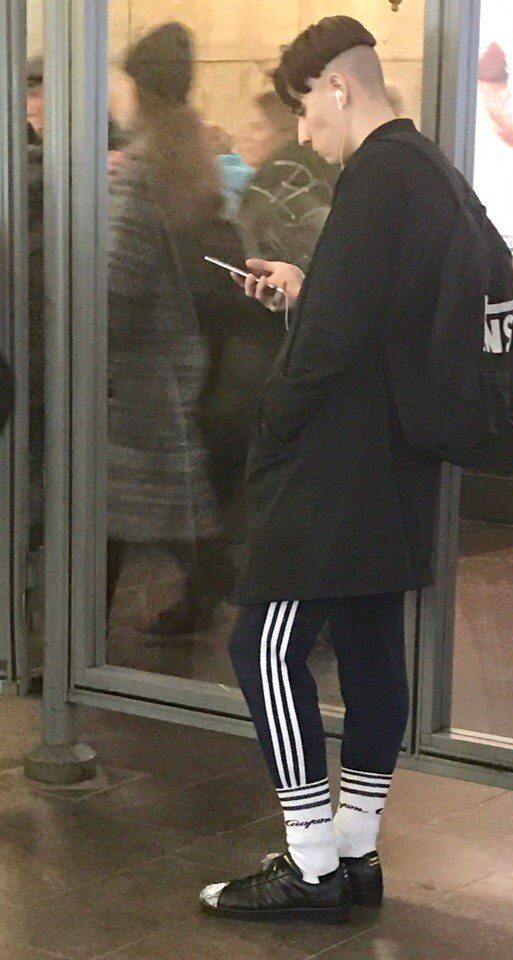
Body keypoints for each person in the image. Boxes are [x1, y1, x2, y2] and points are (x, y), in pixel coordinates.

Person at [199, 15, 506, 923]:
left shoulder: (375, 177)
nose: (303, 132)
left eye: (304, 108)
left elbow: (334, 344)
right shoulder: (430, 170)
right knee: (371, 647)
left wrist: (273, 421)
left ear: (338, 86)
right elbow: (378, 311)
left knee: (261, 647)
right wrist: (307, 286)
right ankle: (356, 851)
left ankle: (310, 862)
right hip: (395, 460)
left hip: (339, 465)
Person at [107, 22, 246, 635]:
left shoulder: (140, 167)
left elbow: (119, 275)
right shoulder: (193, 155)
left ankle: (77, 639)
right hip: (181, 353)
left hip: (137, 367)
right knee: (160, 498)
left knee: (118, 500)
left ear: (139, 88)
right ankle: (212, 583)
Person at [235, 90, 338, 271]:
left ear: (288, 133)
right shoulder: (315, 177)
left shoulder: (274, 191)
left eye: (258, 128)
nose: (245, 136)